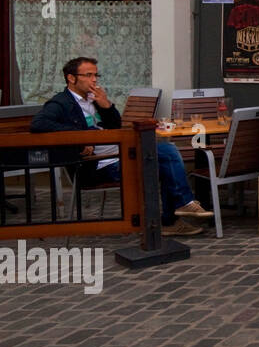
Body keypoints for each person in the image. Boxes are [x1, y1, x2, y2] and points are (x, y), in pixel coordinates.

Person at [29, 57, 212, 236]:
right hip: (98, 166)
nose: (94, 80)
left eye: (96, 75)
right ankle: (176, 212)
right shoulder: (61, 103)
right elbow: (39, 124)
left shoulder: (94, 99)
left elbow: (116, 125)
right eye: (88, 75)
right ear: (71, 78)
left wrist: (106, 105)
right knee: (165, 159)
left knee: (167, 151)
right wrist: (80, 139)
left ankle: (176, 214)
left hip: (120, 153)